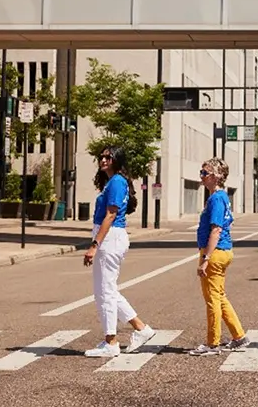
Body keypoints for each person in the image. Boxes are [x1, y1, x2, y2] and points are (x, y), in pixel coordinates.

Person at [83, 147, 156, 358]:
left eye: (109, 157)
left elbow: (111, 214)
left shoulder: (116, 182)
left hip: (109, 238)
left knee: (105, 292)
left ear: (117, 160)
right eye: (102, 156)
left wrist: (94, 245)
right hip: (110, 237)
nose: (104, 159)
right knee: (108, 291)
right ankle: (141, 329)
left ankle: (111, 342)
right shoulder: (114, 181)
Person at [188, 157, 251, 357]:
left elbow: (216, 229)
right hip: (223, 251)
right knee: (220, 296)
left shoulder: (216, 198)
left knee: (212, 299)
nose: (201, 176)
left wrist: (206, 258)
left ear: (216, 176)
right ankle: (239, 336)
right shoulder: (222, 197)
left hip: (215, 253)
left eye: (205, 173)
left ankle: (212, 343)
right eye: (202, 172)